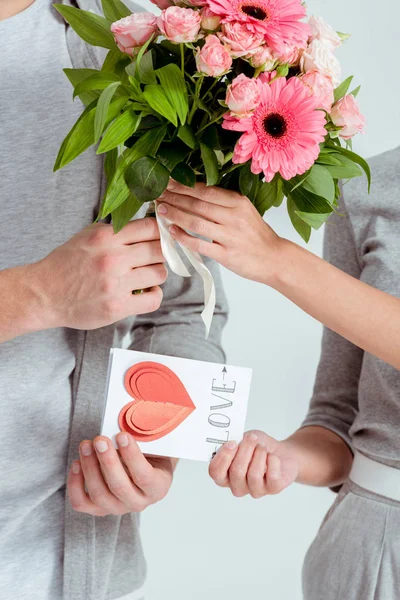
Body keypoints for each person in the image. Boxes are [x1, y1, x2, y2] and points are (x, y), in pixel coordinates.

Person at [0, 2, 228, 600]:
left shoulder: (130, 49)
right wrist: (34, 295)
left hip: (61, 565)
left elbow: (184, 303)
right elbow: (47, 293)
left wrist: (160, 443)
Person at [158, 146, 400, 599]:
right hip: (364, 550)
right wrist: (286, 458)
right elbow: (339, 419)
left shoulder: (287, 257)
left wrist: (278, 260)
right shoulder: (369, 186)